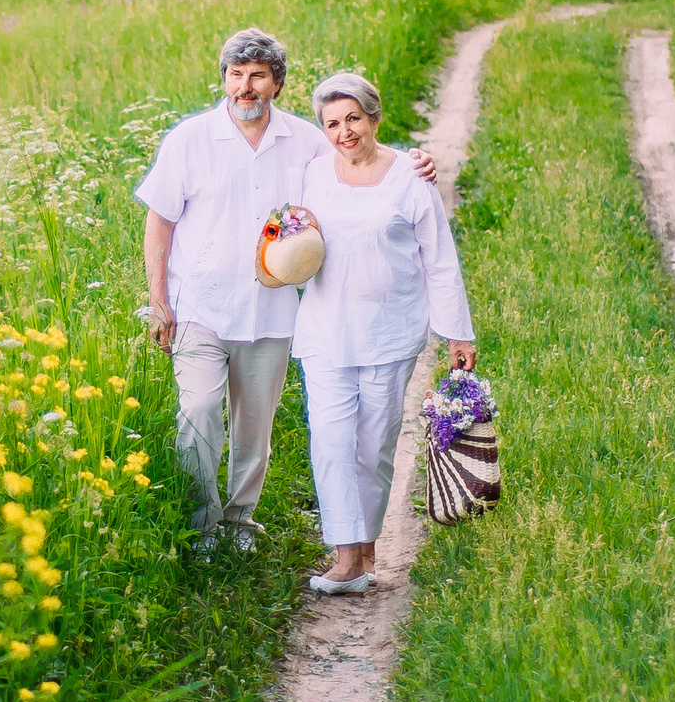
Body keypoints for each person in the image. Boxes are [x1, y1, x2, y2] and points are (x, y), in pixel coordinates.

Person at [135, 30, 435, 547]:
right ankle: (201, 526)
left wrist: (414, 163)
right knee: (199, 412)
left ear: (277, 83)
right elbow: (159, 221)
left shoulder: (306, 142)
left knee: (255, 427)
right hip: (198, 307)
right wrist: (158, 299)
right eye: (235, 75)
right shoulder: (189, 140)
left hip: (271, 311)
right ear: (223, 79)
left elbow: (360, 156)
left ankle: (239, 521)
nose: (245, 87)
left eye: (257, 76)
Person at [291, 69, 476, 593]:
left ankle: (366, 548)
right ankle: (347, 557)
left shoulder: (410, 178)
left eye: (353, 118)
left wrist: (458, 334)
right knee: (331, 443)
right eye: (332, 123)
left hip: (389, 333)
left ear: (374, 119)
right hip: (325, 330)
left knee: (374, 447)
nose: (344, 132)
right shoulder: (312, 174)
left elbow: (439, 259)